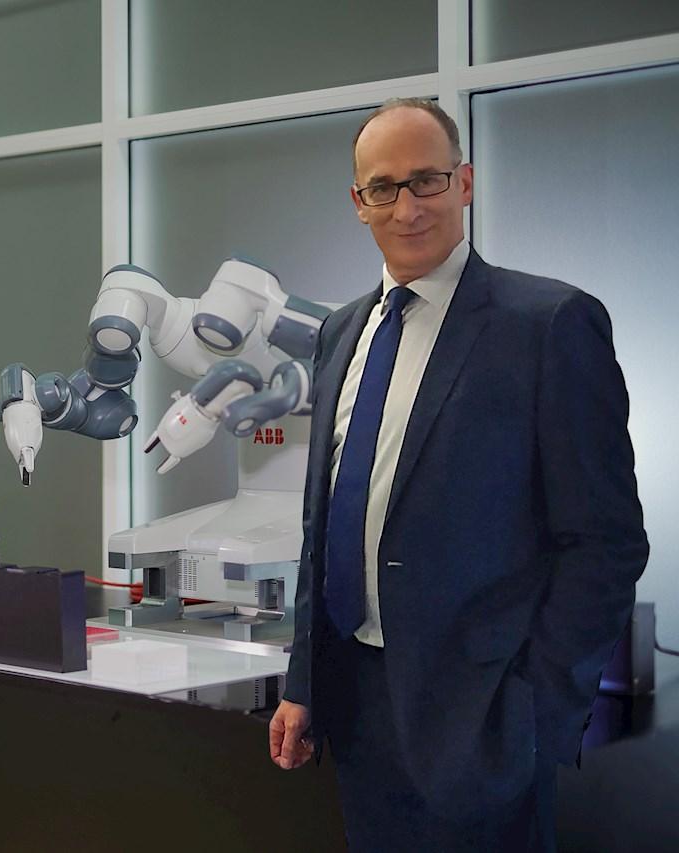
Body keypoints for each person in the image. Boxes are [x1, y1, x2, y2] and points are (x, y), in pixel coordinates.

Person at [267, 99, 648, 851]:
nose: (407, 207)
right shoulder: (340, 332)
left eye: (427, 180)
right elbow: (327, 524)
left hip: (484, 717)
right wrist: (303, 682)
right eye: (384, 187)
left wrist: (535, 713)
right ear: (358, 202)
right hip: (358, 707)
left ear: (464, 183)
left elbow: (605, 542)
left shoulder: (547, 323)